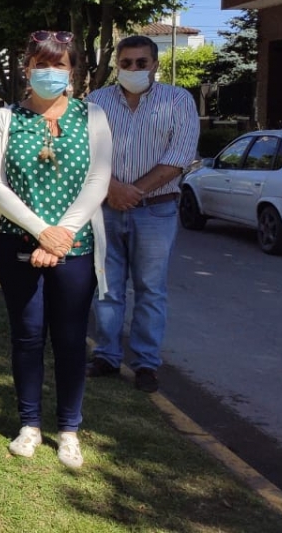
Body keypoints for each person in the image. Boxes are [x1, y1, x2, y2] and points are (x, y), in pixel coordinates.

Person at [0, 30, 112, 469]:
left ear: (73, 71)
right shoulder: (4, 119)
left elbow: (98, 180)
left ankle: (70, 430)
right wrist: (42, 232)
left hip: (76, 248)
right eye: (41, 64)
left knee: (72, 339)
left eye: (58, 65)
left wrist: (63, 235)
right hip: (19, 244)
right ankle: (30, 425)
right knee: (27, 336)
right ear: (26, 68)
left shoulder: (92, 117)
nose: (49, 73)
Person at [85, 35, 199, 393]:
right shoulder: (96, 101)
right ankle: (106, 355)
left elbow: (179, 156)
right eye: (126, 63)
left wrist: (133, 192)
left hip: (156, 210)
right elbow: (84, 154)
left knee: (150, 290)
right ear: (117, 64)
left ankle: (146, 363)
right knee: (107, 287)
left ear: (155, 65)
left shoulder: (178, 100)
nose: (133, 69)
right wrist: (112, 188)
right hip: (105, 206)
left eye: (141, 63)